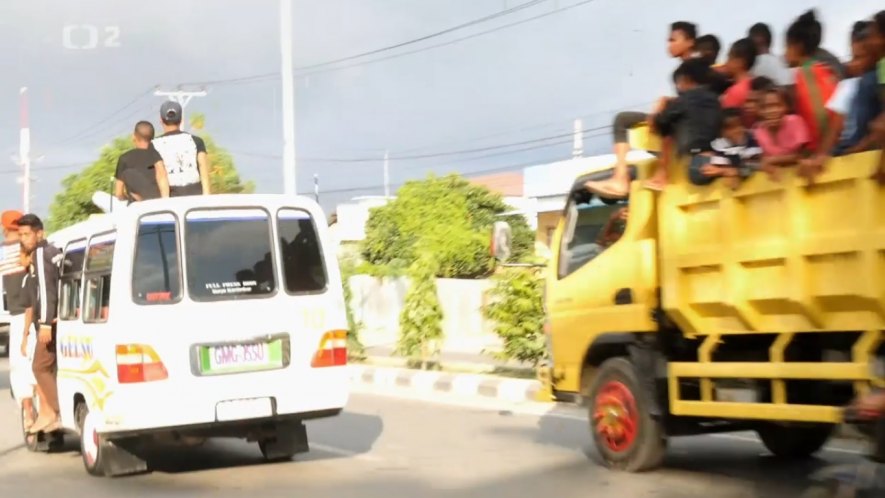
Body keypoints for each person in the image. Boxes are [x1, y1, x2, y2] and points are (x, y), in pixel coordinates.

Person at [586, 21, 699, 199]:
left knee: (664, 118)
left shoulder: (698, 66)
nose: (669, 44)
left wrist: (665, 105)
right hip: (674, 116)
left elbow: (696, 98)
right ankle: (620, 177)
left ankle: (660, 174)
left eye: (673, 39)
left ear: (690, 42)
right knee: (622, 120)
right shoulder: (681, 70)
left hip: (685, 122)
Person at [648, 58, 723, 190]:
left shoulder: (683, 101)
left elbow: (656, 123)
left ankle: (662, 174)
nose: (677, 88)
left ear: (686, 79)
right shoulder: (716, 99)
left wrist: (661, 104)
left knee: (668, 125)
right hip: (718, 158)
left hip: (698, 166)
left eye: (678, 83)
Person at [17, 214, 62, 434]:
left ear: (39, 233)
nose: (23, 239)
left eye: (27, 234)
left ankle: (56, 411)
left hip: (48, 323)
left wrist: (44, 323)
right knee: (48, 368)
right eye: (21, 235)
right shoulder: (49, 251)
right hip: (51, 321)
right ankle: (49, 413)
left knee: (40, 367)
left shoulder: (41, 253)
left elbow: (47, 291)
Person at [784, 9, 838, 156]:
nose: (784, 53)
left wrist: (820, 152)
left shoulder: (806, 73)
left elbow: (821, 116)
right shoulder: (824, 70)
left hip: (823, 153)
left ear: (798, 47)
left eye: (786, 46)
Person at [1, 211, 37, 427]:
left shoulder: (3, 251)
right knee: (35, 362)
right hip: (35, 312)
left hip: (17, 315)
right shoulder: (28, 249)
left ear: (4, 228)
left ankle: (28, 411)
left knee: (19, 365)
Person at [151, 101, 211, 197]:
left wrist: (165, 202)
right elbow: (203, 168)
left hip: (172, 196)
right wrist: (207, 197)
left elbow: (161, 175)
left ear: (161, 121)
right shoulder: (197, 141)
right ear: (181, 120)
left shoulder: (154, 145)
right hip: (196, 195)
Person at [692, 107, 763, 189]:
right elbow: (720, 167)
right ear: (722, 133)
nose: (736, 131)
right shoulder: (721, 145)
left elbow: (755, 167)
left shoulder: (750, 140)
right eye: (730, 128)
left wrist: (727, 171)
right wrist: (724, 171)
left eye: (739, 125)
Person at [753, 87, 810, 180]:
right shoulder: (757, 131)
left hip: (799, 175)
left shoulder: (795, 121)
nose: (772, 111)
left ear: (786, 107)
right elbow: (757, 162)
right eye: (766, 107)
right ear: (760, 111)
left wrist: (771, 160)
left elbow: (803, 154)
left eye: (777, 105)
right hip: (773, 181)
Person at [115, 121, 170, 203]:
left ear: (134, 136)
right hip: (159, 205)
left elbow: (119, 193)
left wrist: (127, 199)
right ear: (152, 137)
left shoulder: (124, 158)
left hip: (137, 208)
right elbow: (162, 176)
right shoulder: (157, 156)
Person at [721, 38, 759, 122]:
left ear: (740, 62)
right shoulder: (758, 84)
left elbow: (727, 123)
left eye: (729, 57)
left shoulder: (735, 91)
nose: (726, 63)